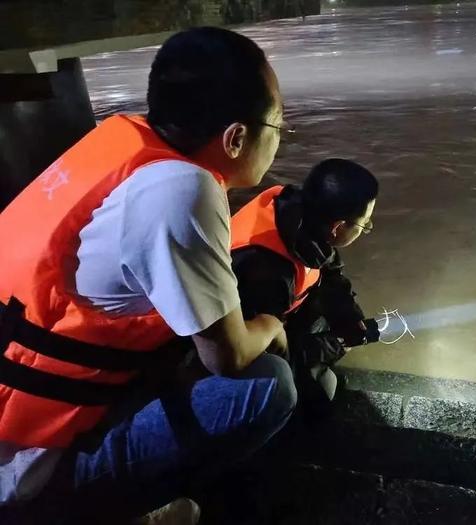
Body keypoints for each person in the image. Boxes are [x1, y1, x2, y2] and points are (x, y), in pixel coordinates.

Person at [0, 27, 296, 524]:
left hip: (15, 390)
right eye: (280, 127)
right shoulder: (182, 191)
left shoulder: (119, 143)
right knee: (267, 387)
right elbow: (229, 356)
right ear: (237, 136)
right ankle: (88, 508)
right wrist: (272, 326)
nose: (281, 140)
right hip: (20, 457)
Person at [229, 158, 379, 414]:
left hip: (279, 309)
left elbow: (330, 271)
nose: (366, 228)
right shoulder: (267, 269)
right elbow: (269, 349)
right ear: (338, 227)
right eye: (364, 224)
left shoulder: (300, 212)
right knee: (323, 392)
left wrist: (351, 319)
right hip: (251, 337)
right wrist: (338, 343)